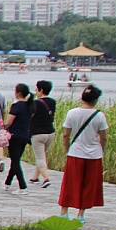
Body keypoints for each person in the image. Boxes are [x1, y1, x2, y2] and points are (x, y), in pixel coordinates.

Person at [57, 84, 108, 221]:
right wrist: (101, 150)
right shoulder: (99, 115)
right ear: (95, 100)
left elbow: (66, 135)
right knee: (88, 185)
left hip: (75, 152)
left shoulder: (72, 113)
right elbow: (103, 137)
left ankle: (64, 212)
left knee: (70, 183)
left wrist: (68, 149)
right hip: (94, 154)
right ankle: (80, 214)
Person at [0, 83, 34, 195]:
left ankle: (23, 186)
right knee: (16, 160)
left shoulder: (16, 106)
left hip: (15, 136)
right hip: (25, 136)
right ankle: (7, 183)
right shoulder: (29, 106)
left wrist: (4, 125)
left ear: (18, 93)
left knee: (15, 161)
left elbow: (9, 122)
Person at [30, 80, 56, 189]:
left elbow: (30, 116)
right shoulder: (53, 102)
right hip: (50, 132)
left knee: (40, 157)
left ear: (40, 90)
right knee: (42, 155)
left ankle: (46, 179)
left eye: (36, 89)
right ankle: (35, 177)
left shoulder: (35, 103)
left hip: (38, 133)